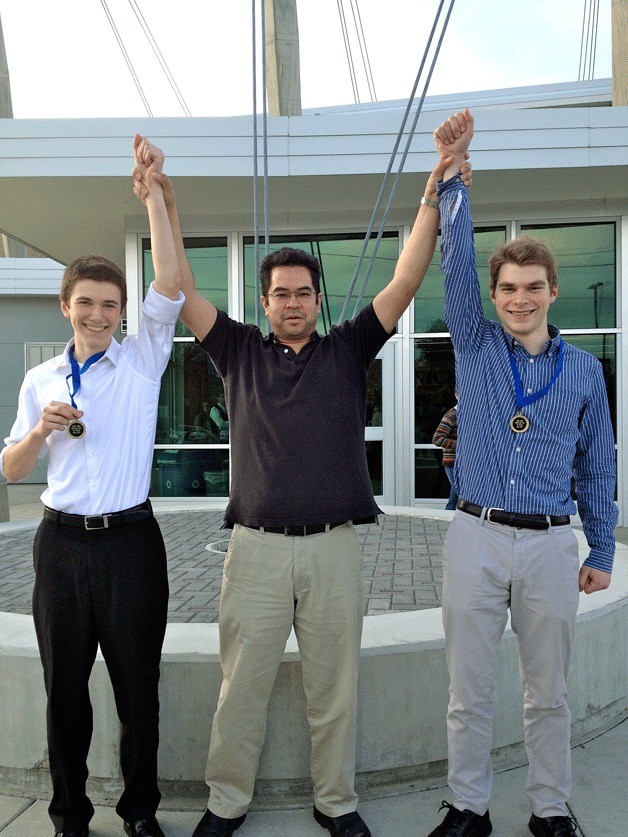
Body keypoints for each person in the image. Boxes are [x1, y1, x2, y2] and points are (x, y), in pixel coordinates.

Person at [135, 140, 471, 837]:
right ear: (264, 301)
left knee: (334, 690)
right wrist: (158, 201)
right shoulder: (236, 352)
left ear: (319, 299)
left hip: (333, 552)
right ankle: (226, 801)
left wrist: (430, 196)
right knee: (241, 690)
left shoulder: (349, 348)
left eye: (303, 292)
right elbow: (180, 286)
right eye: (280, 293)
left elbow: (406, 282)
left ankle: (336, 802)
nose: (292, 302)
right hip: (254, 553)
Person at [426, 110, 617, 837]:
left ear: (551, 291)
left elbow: (598, 462)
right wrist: (453, 178)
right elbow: (453, 264)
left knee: (549, 693)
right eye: (507, 286)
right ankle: (468, 806)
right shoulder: (475, 346)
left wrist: (600, 548)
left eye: (532, 286)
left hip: (546, 542)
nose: (519, 298)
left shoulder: (583, 372)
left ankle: (550, 808)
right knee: (467, 690)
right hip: (474, 534)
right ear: (496, 293)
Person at [0, 135, 183, 837]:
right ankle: (69, 815)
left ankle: (140, 813)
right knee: (63, 694)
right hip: (61, 547)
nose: (99, 315)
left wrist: (156, 196)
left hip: (132, 543)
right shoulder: (39, 381)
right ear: (65, 305)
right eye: (87, 303)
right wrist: (38, 433)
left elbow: (169, 282)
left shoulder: (141, 360)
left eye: (110, 304)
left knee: (140, 691)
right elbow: (11, 469)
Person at [432, 392, 458, 510]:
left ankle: (448, 518)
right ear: (456, 395)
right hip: (452, 462)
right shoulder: (451, 415)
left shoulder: (470, 414)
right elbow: (437, 439)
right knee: (461, 493)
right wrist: (460, 445)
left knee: (456, 496)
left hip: (466, 463)